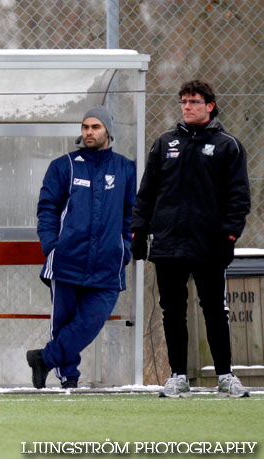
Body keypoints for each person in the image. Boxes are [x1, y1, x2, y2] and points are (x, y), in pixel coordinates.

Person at [131, 80, 251, 398]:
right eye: (183, 101)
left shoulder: (228, 146)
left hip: (208, 244)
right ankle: (178, 376)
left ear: (210, 105)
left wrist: (228, 236)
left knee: (214, 309)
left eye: (194, 101)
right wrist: (139, 232)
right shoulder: (165, 143)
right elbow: (147, 193)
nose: (187, 106)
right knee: (172, 310)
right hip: (168, 244)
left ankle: (225, 375)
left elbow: (238, 197)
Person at [26, 106, 136, 389]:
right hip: (66, 259)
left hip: (108, 263)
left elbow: (132, 215)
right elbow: (47, 209)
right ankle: (69, 379)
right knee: (63, 321)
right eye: (85, 127)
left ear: (108, 131)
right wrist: (52, 246)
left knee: (91, 321)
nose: (89, 132)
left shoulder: (125, 168)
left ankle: (45, 358)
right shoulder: (64, 165)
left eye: (95, 127)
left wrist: (125, 247)